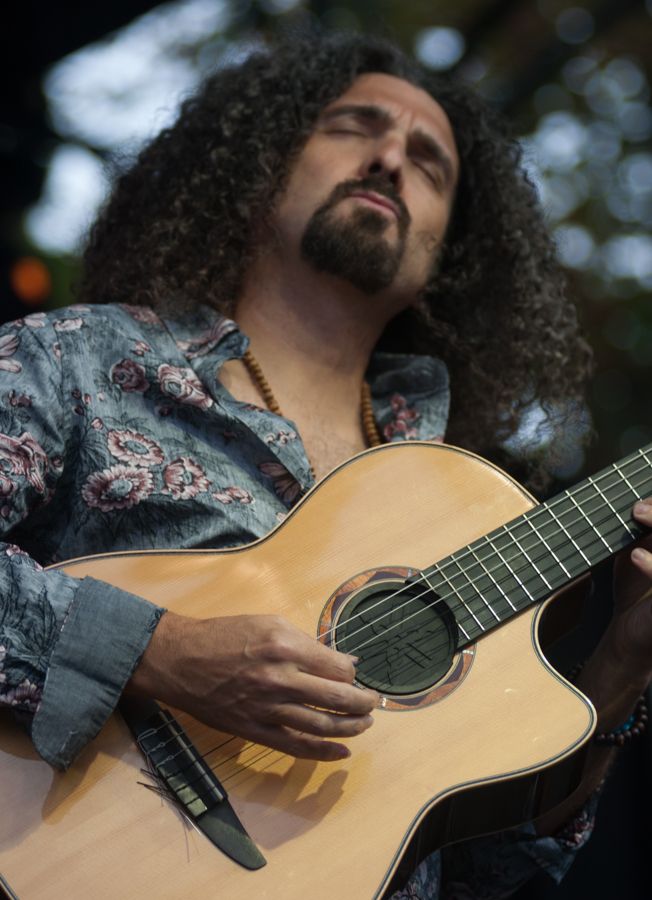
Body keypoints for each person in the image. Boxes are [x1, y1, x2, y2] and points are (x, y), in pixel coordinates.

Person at [2, 31, 652, 898]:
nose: (391, 159)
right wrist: (160, 652)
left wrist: (619, 671)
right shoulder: (82, 354)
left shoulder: (460, 503)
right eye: (355, 127)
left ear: (448, 257)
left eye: (431, 165)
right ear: (261, 166)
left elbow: (475, 875)